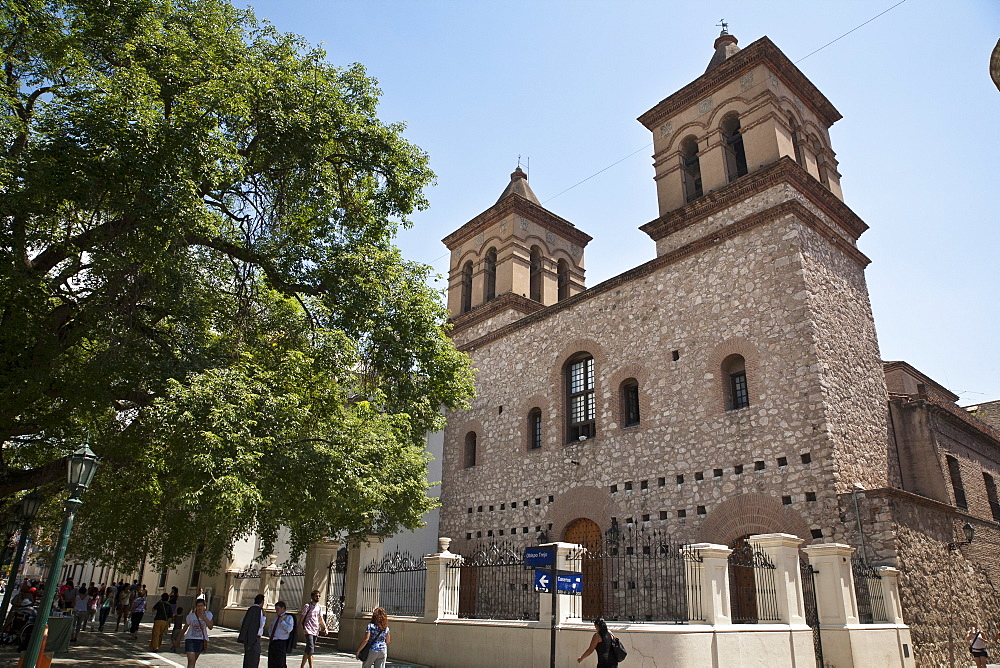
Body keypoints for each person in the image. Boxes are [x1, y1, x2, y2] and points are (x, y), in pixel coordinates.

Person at [181, 598, 214, 667]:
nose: (200, 608)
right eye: (198, 606)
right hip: (190, 639)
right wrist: (178, 639)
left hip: (200, 640)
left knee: (193, 661)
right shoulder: (191, 616)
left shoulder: (208, 614)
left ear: (204, 607)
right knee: (191, 661)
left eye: (201, 606)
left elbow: (210, 627)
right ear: (196, 607)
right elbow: (185, 628)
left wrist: (204, 617)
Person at [299, 590, 327, 668]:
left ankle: (302, 666)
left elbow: (320, 618)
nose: (318, 597)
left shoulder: (319, 607)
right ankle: (311, 666)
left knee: (308, 648)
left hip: (315, 630)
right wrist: (299, 627)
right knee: (311, 648)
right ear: (312, 597)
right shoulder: (307, 606)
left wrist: (325, 627)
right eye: (316, 596)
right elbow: (302, 617)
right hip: (308, 629)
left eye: (319, 596)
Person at [238, 594, 266, 668]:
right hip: (255, 637)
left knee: (248, 657)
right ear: (262, 602)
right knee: (254, 658)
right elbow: (261, 624)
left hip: (248, 636)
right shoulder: (259, 610)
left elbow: (242, 621)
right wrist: (264, 617)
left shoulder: (250, 609)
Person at [267, 600, 296, 668]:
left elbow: (289, 629)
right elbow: (272, 626)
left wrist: (283, 621)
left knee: (280, 662)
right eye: (276, 609)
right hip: (273, 640)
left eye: (278, 609)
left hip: (281, 642)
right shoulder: (276, 617)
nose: (276, 610)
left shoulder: (289, 617)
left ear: (283, 608)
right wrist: (270, 634)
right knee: (271, 661)